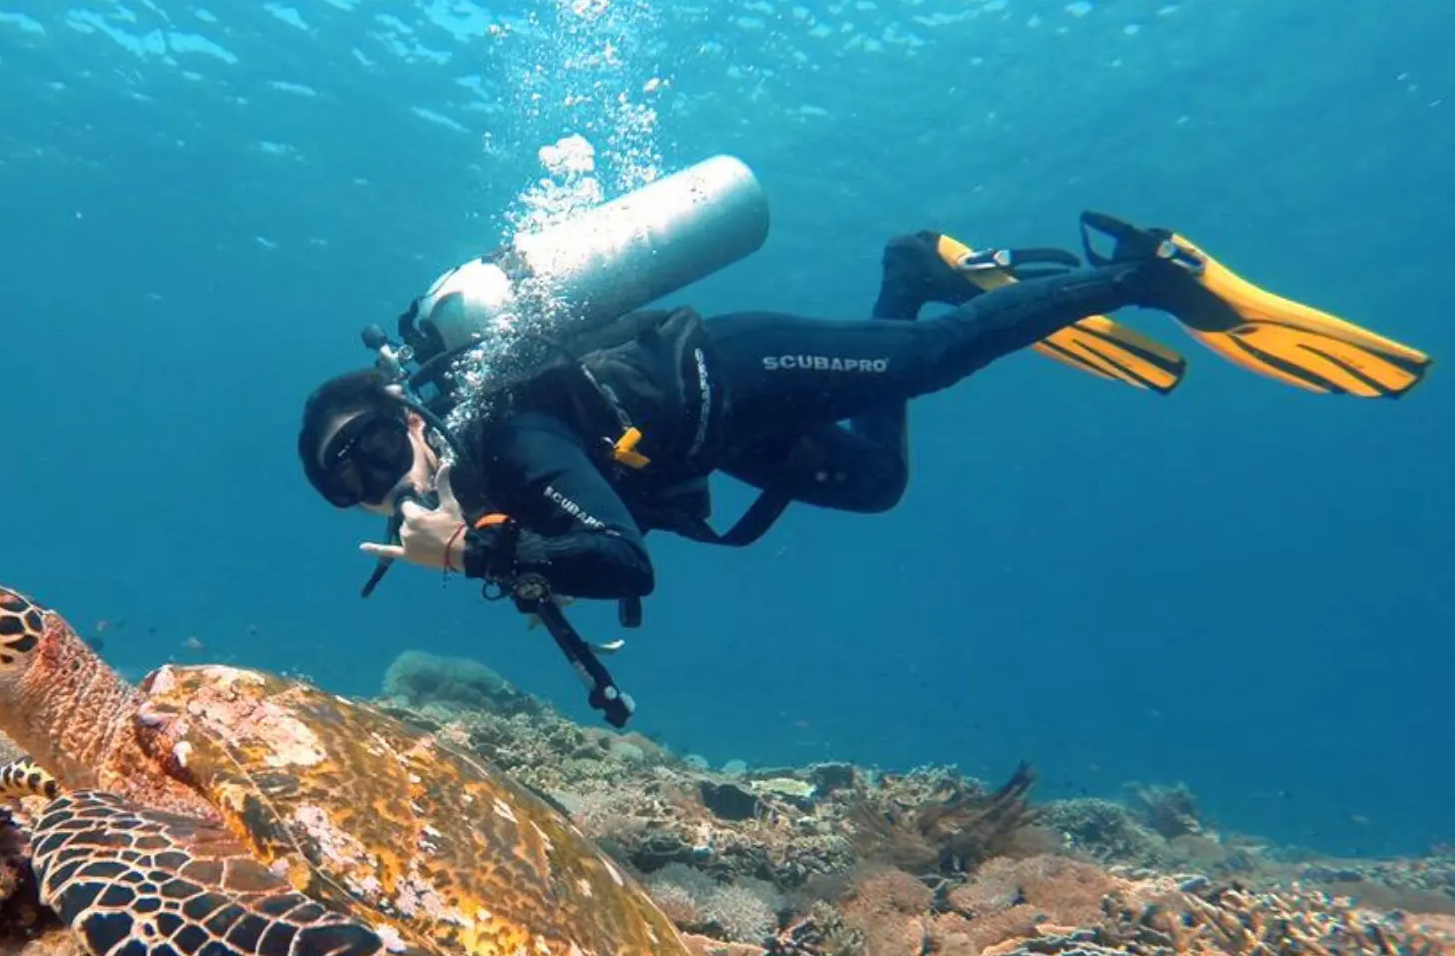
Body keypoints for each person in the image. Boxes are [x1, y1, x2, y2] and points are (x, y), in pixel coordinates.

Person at [298, 212, 1431, 609]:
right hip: (723, 434)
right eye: (349, 484)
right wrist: (495, 542)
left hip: (729, 370)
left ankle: (1146, 272)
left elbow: (622, 563)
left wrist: (488, 554)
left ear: (407, 410)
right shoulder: (486, 479)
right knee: (876, 485)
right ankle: (913, 267)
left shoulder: (507, 438)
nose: (380, 485)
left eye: (371, 451)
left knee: (927, 364)